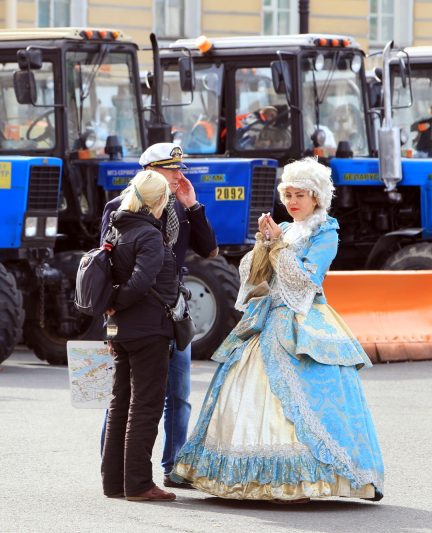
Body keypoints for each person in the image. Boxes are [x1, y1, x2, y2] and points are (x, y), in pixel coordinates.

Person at [170, 157, 384, 503]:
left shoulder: (325, 231)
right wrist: (263, 244)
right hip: (266, 319)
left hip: (302, 320)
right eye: (287, 194)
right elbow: (254, 278)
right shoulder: (283, 229)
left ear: (316, 197)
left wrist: (279, 248)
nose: (292, 201)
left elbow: (307, 281)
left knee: (309, 401)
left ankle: (314, 477)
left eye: (300, 194)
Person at [100, 142, 218, 490]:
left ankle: (174, 464)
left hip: (171, 307)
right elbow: (107, 263)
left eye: (180, 170)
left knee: (177, 392)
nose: (179, 176)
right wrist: (113, 310)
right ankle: (119, 469)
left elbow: (209, 249)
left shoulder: (179, 208)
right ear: (150, 173)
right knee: (130, 398)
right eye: (172, 170)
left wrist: (193, 205)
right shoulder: (119, 208)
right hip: (141, 311)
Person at [101, 169, 179, 502]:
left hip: (123, 331)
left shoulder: (118, 227)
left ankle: (114, 482)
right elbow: (142, 281)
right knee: (145, 407)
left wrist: (111, 308)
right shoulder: (148, 234)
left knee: (121, 404)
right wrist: (118, 303)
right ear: (159, 200)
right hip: (148, 328)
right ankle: (138, 484)